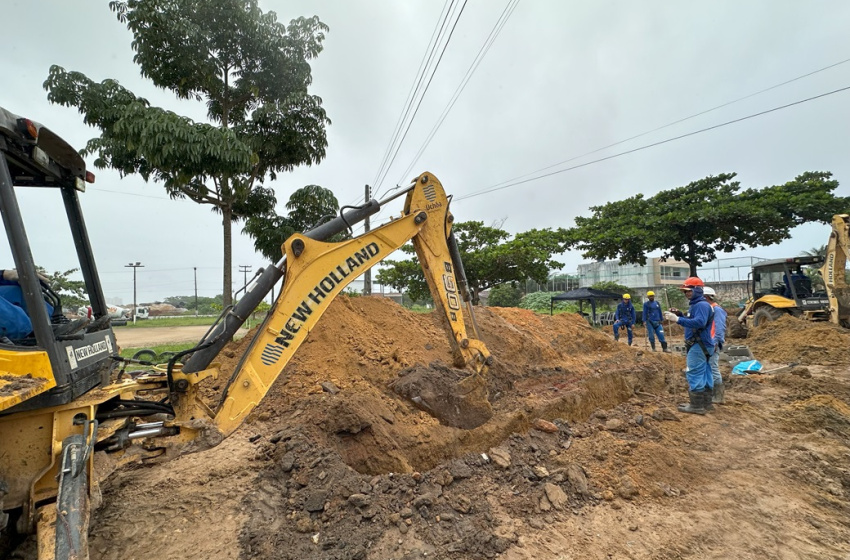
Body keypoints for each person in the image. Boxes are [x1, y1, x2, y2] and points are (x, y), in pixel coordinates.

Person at [664, 277, 715, 415]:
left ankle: (697, 406)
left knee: (694, 372)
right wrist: (680, 314)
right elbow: (694, 319)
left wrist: (678, 320)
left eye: (689, 291)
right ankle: (706, 403)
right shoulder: (698, 305)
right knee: (705, 372)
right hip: (703, 344)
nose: (687, 293)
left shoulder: (701, 305)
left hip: (698, 345)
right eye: (685, 291)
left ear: (697, 290)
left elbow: (699, 322)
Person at [703, 287, 727, 404]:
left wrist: (716, 342)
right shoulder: (709, 309)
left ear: (706, 297)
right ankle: (712, 394)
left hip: (713, 343)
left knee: (713, 367)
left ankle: (718, 396)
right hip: (708, 343)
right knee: (708, 367)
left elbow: (720, 327)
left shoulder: (716, 310)